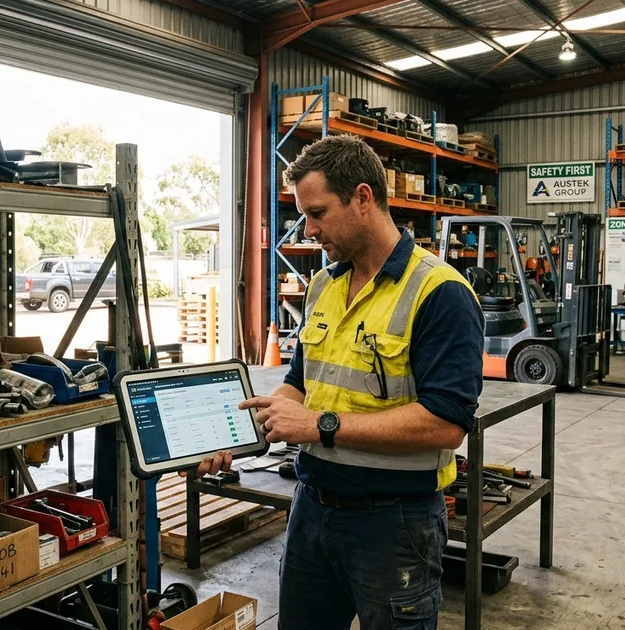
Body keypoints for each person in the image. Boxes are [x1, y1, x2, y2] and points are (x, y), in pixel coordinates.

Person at [191, 134, 485, 629]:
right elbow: (300, 383)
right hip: (312, 510)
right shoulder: (324, 285)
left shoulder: (439, 293)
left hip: (395, 524)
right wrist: (240, 432)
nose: (309, 230)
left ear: (364, 199)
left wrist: (319, 426)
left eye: (319, 213)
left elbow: (445, 425)